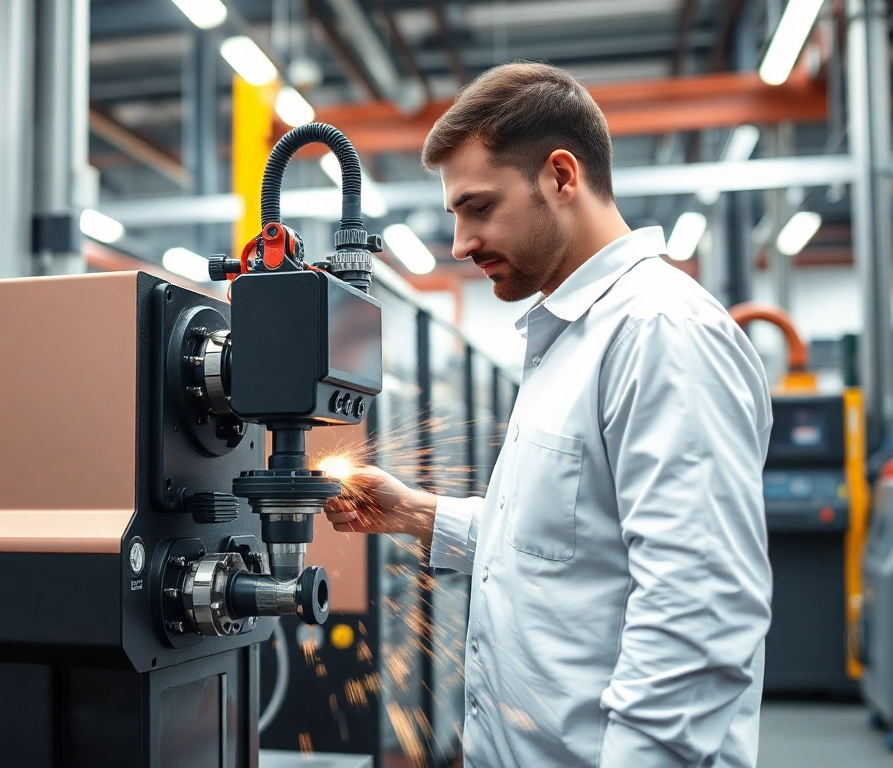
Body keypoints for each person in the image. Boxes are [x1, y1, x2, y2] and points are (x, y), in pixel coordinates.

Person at [325, 62, 773, 768]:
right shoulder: (566, 338)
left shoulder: (658, 333)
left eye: (479, 207)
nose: (462, 243)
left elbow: (698, 615)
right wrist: (419, 515)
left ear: (562, 176)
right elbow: (572, 542)